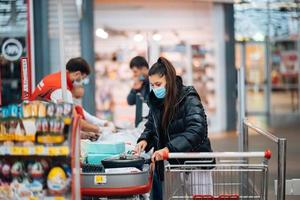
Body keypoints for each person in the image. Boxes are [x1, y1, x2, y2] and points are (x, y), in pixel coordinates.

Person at [134, 57, 214, 200]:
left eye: (158, 84)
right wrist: (145, 139)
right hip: (172, 165)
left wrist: (169, 148)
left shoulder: (189, 97)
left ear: (169, 80)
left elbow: (197, 129)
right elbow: (152, 125)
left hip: (195, 163)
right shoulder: (156, 101)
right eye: (152, 85)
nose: (155, 88)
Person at [30, 57, 101, 139]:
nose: (82, 83)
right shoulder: (62, 90)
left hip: (37, 123)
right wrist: (100, 130)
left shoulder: (57, 78)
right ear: (77, 74)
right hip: (35, 129)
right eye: (83, 79)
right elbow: (74, 120)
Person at [127, 56, 150, 127]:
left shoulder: (153, 84)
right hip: (141, 123)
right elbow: (130, 101)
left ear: (143, 69)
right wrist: (135, 89)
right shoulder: (140, 82)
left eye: (135, 71)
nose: (134, 74)